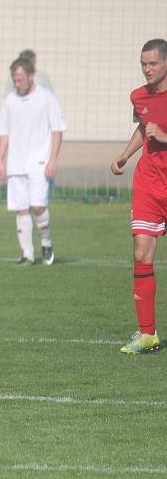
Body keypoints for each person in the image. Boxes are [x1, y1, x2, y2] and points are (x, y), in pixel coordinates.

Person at [111, 39, 167, 354]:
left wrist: (164, 136)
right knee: (142, 253)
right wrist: (124, 156)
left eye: (153, 64)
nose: (147, 69)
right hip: (148, 185)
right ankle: (147, 333)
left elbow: (157, 132)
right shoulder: (138, 96)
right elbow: (143, 127)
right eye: (143, 64)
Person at [0, 57, 66, 265]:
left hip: (39, 162)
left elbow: (57, 130)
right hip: (15, 163)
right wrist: (0, 160)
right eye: (14, 80)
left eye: (19, 79)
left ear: (30, 76)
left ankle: (46, 241)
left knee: (37, 206)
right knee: (21, 209)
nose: (16, 84)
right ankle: (27, 254)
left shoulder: (46, 98)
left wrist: (52, 159)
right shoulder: (10, 100)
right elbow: (4, 132)